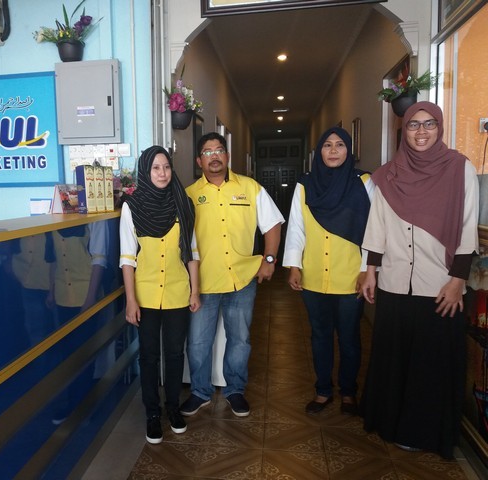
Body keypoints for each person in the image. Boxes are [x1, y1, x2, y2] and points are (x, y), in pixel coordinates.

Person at [360, 101, 479, 458]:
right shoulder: (387, 174)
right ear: (404, 130)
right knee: (395, 359)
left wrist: (457, 280)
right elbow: (377, 226)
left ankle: (423, 431)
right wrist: (371, 271)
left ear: (439, 128)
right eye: (414, 125)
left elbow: (467, 226)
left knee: (430, 364)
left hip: (439, 284)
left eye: (429, 124)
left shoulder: (459, 168)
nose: (422, 131)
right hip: (394, 282)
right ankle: (390, 422)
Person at [180, 132, 284, 418]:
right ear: (199, 160)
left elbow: (273, 224)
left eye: (219, 150)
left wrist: (269, 259)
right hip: (203, 282)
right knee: (198, 342)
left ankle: (235, 390)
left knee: (240, 339)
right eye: (207, 152)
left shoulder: (250, 188)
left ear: (227, 156)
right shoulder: (189, 195)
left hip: (242, 278)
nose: (214, 156)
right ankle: (200, 392)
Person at [282, 126, 374, 415]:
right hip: (313, 276)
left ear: (349, 150)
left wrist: (366, 270)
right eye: (327, 145)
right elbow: (296, 227)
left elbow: (374, 229)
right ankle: (323, 391)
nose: (333, 150)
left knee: (349, 338)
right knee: (320, 336)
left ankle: (348, 392)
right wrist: (294, 265)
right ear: (319, 151)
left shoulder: (364, 182)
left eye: (340, 145)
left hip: (350, 276)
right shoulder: (305, 184)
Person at [119, 145, 200, 445]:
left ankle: (173, 408)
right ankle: (152, 413)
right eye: (156, 168)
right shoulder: (132, 206)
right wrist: (131, 300)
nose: (163, 173)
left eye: (166, 167)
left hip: (179, 291)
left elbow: (192, 250)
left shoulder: (183, 202)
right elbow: (127, 258)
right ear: (145, 171)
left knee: (176, 353)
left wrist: (195, 290)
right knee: (149, 356)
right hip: (146, 294)